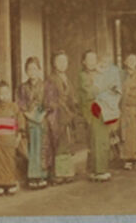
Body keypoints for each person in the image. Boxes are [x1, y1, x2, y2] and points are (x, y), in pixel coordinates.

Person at [43, 50, 77, 184]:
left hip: (66, 115)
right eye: (59, 61)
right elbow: (49, 100)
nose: (62, 64)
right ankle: (57, 174)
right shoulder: (51, 79)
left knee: (66, 144)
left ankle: (67, 172)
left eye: (64, 61)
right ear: (54, 63)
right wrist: (61, 108)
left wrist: (72, 109)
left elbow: (72, 98)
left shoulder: (67, 79)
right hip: (56, 115)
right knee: (57, 145)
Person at [78, 50, 113, 182]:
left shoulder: (98, 73)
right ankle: (97, 171)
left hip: (102, 108)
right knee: (96, 140)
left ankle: (101, 169)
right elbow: (91, 91)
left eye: (94, 59)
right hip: (91, 109)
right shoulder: (83, 76)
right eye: (89, 59)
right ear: (84, 62)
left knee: (103, 139)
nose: (92, 62)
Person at [16, 56, 49, 188]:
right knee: (31, 145)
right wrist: (29, 115)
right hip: (28, 118)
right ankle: (32, 176)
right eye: (29, 69)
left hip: (42, 118)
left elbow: (48, 104)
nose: (32, 72)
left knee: (42, 145)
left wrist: (41, 115)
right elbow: (21, 105)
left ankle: (42, 175)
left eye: (35, 69)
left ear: (39, 70)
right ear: (26, 71)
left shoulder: (45, 86)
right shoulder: (22, 87)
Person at [0, 80, 25, 195]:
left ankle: (10, 183)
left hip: (11, 137)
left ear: (10, 93)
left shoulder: (14, 106)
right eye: (1, 93)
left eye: (6, 93)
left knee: (10, 161)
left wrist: (19, 135)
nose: (4, 96)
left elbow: (20, 120)